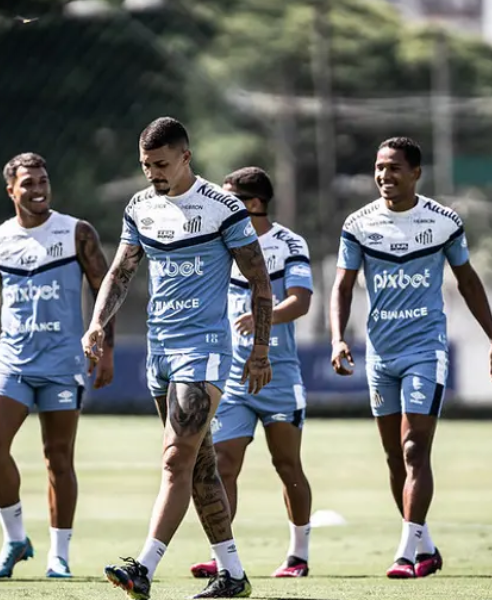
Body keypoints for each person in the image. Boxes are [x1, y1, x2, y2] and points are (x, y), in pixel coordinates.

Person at [82, 117, 273, 599]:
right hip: (159, 351)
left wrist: (260, 351)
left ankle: (142, 568)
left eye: (162, 164)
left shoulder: (222, 208)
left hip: (205, 350)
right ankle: (232, 575)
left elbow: (260, 282)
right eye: (146, 166)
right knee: (200, 467)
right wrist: (97, 324)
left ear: (186, 157)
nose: (153, 174)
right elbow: (121, 272)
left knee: (174, 460)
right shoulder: (140, 207)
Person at [331, 137, 492, 579]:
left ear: (416, 174)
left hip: (425, 351)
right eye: (379, 168)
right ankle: (425, 546)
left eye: (393, 168)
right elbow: (343, 286)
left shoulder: (444, 221)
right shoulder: (358, 224)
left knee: (415, 448)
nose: (384, 176)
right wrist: (337, 338)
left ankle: (405, 553)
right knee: (394, 456)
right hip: (380, 355)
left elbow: (468, 281)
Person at [0, 152, 115, 579]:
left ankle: (59, 555)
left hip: (63, 363)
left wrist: (105, 348)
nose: (38, 190)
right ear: (11, 190)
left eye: (43, 181)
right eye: (28, 183)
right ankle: (15, 540)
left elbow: (106, 288)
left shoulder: (76, 233)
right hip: (11, 361)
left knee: (58, 458)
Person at [188, 167, 314, 580]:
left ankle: (298, 556)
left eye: (231, 198)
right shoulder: (219, 245)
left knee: (287, 465)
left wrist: (264, 318)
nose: (221, 206)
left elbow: (300, 301)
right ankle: (222, 555)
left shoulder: (288, 243)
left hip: (279, 375)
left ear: (254, 204)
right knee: (223, 462)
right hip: (233, 379)